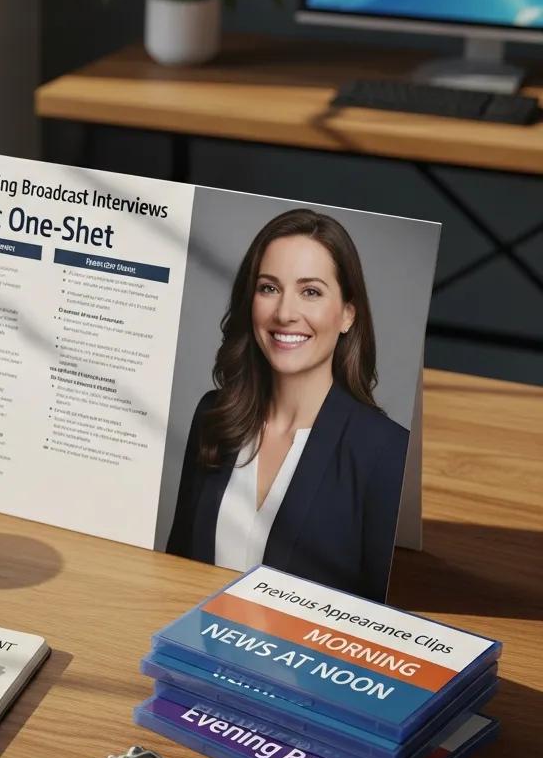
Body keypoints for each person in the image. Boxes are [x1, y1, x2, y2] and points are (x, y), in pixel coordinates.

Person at [166, 208, 408, 602]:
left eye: (310, 291)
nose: (284, 313)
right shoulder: (214, 416)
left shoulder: (386, 452)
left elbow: (383, 616)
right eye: (269, 288)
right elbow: (175, 573)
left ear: (348, 313)